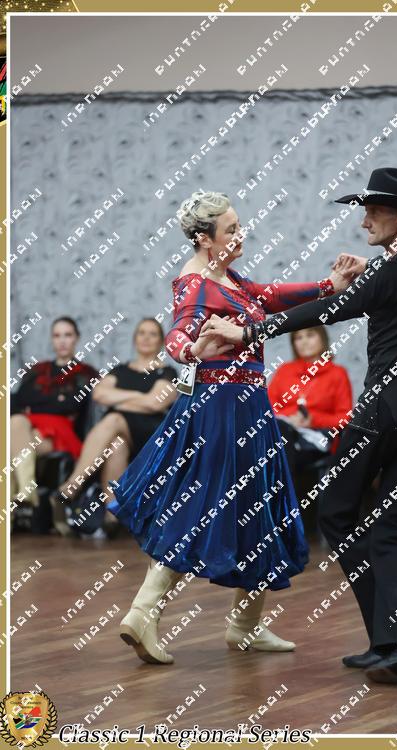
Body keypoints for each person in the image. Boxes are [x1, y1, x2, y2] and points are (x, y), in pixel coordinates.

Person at [201, 168, 397, 684]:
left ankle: (392, 636)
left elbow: (327, 309)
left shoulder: (393, 271)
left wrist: (247, 331)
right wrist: (373, 270)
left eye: (374, 211)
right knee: (390, 528)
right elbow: (389, 285)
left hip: (379, 417)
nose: (364, 221)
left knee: (337, 514)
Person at [106, 190, 341, 665]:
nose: (240, 234)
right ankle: (144, 612)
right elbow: (179, 333)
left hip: (246, 406)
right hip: (222, 408)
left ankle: (244, 626)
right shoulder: (195, 281)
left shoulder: (230, 279)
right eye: (231, 229)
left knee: (257, 506)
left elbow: (271, 296)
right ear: (204, 239)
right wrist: (191, 350)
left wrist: (328, 285)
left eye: (238, 225)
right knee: (203, 507)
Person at [49, 318, 178, 538]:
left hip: (150, 434)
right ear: (134, 338)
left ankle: (70, 487)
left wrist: (119, 400)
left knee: (114, 419)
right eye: (141, 333)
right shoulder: (120, 370)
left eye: (152, 334)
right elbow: (99, 395)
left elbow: (156, 403)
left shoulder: (167, 372)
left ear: (161, 341)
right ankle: (112, 515)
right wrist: (140, 398)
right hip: (118, 433)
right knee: (116, 445)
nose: (146, 338)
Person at [10, 317, 99, 509]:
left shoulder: (86, 372)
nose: (62, 341)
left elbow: (71, 404)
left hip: (61, 432)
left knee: (10, 441)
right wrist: (55, 399)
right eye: (57, 336)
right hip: (27, 428)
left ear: (76, 338)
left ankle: (13, 506)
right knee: (16, 423)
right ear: (51, 339)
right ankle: (25, 492)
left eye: (68, 335)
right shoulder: (37, 370)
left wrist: (37, 401)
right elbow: (18, 399)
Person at [267, 326, 353, 470]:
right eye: (298, 338)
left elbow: (345, 417)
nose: (304, 341)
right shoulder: (284, 370)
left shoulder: (337, 374)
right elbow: (269, 407)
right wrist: (291, 419)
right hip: (284, 432)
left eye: (310, 335)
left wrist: (313, 420)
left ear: (322, 338)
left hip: (317, 438)